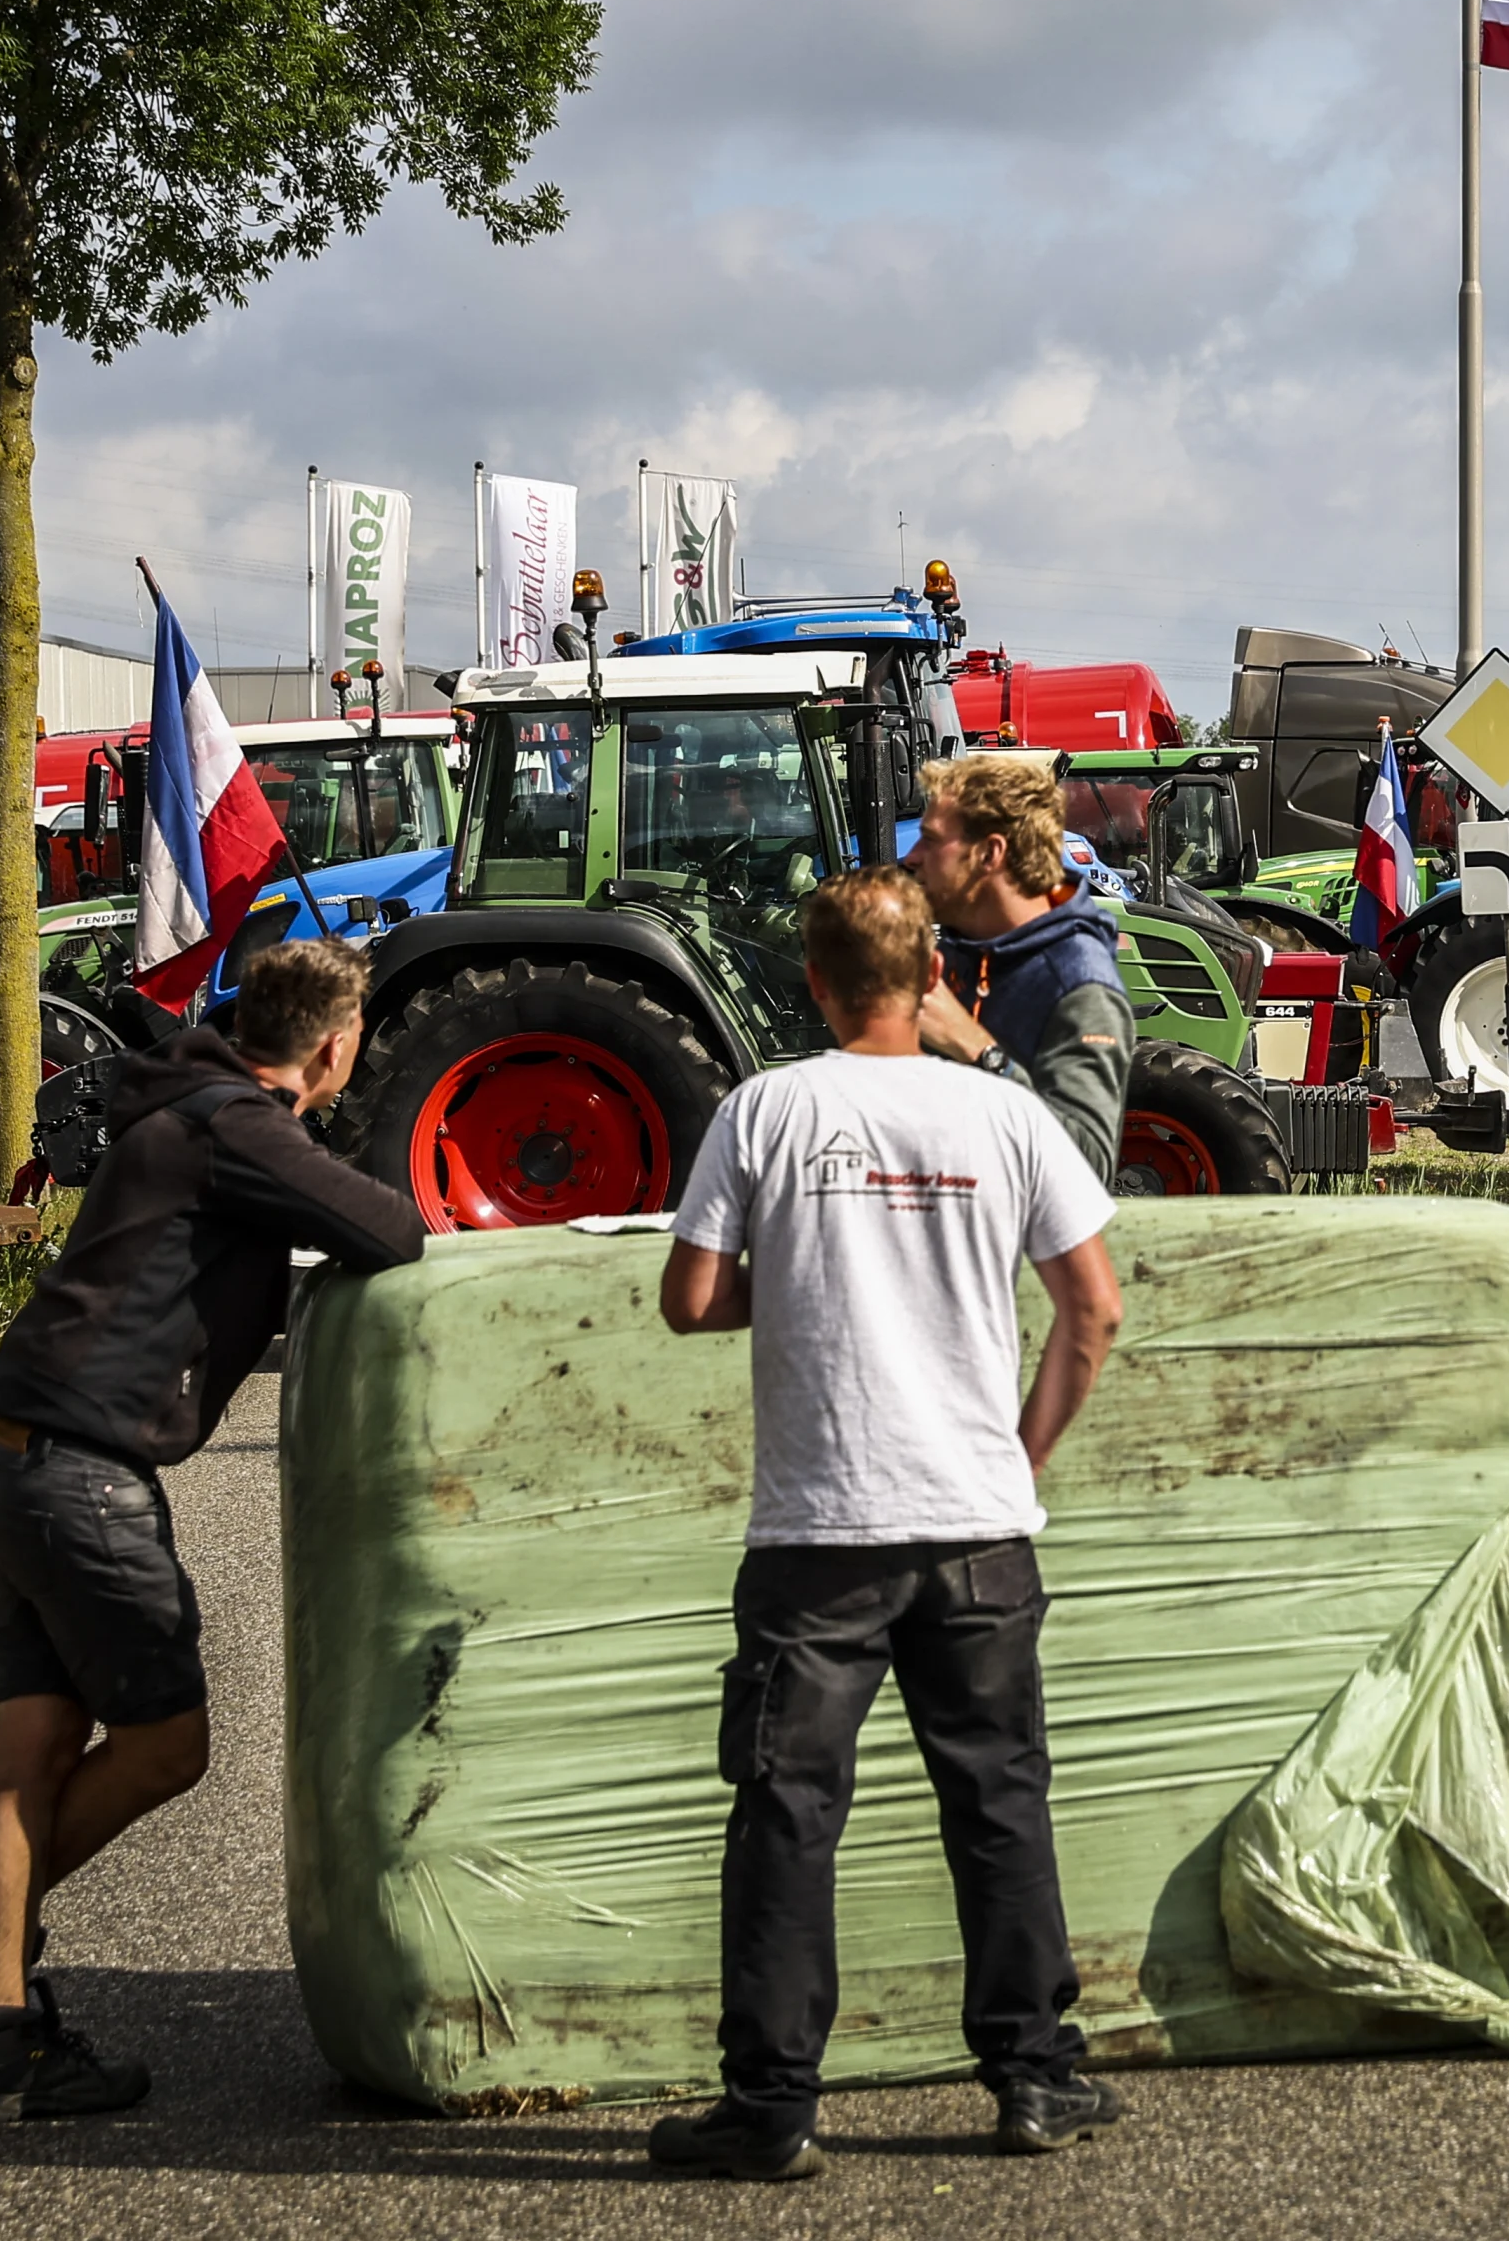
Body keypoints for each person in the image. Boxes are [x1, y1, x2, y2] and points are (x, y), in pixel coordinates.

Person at [649, 864, 1129, 2181]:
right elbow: (1094, 1308)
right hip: (977, 1524)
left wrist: (803, 1289)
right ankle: (1034, 2078)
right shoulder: (1004, 1117)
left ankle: (771, 2107)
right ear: (937, 980)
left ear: (812, 981)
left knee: (788, 1810)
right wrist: (1018, 1457)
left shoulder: (769, 1110)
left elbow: (690, 1301)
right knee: (997, 1801)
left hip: (819, 1533)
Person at [0, 938, 425, 2122]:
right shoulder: (235, 1127)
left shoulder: (182, 1102)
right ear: (335, 1046)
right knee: (166, 1745)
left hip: (5, 1445)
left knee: (30, 1754)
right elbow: (391, 1233)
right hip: (79, 1473)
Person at [909, 753, 1129, 1182]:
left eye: (930, 840)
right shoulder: (958, 949)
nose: (912, 857)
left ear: (990, 853)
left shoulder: (1079, 986)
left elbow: (1086, 1165)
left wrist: (978, 1051)